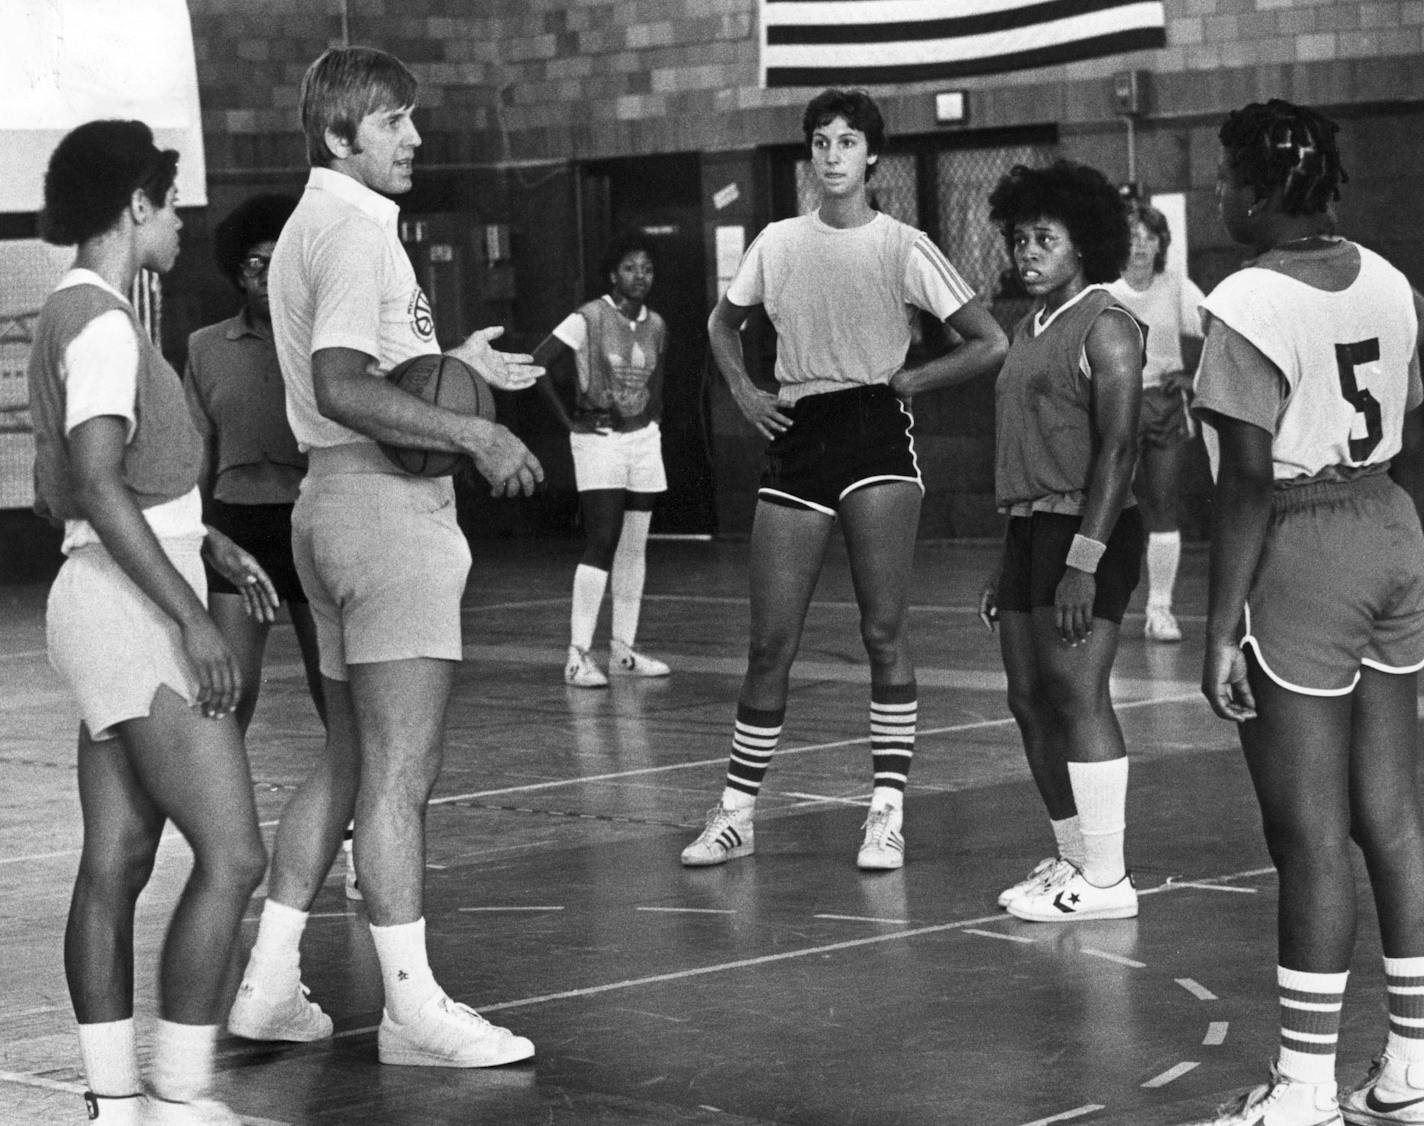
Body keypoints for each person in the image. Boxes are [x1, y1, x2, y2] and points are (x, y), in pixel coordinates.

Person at [225, 46, 542, 1067]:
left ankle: (270, 983)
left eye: (412, 120)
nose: (413, 138)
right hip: (385, 517)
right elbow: (343, 383)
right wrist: (477, 432)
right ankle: (412, 1009)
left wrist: (456, 369)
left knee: (349, 757)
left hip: (325, 508)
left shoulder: (312, 226)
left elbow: (380, 372)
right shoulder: (357, 231)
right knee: (401, 772)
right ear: (336, 135)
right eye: (392, 122)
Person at [682, 88, 1008, 871]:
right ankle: (735, 813)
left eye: (847, 141)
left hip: (875, 434)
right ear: (810, 155)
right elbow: (723, 323)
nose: (832, 154)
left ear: (871, 156)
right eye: (821, 141)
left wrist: (913, 383)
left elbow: (987, 340)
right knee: (770, 642)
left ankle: (886, 812)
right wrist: (744, 389)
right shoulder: (777, 242)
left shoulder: (904, 244)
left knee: (883, 630)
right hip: (799, 432)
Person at [29, 120, 275, 1125]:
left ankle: (114, 1104)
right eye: (169, 204)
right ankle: (178, 1095)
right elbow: (90, 481)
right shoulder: (99, 322)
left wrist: (198, 538)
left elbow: (74, 495)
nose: (179, 223)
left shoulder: (72, 313)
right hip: (132, 611)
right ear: (135, 205)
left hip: (101, 594)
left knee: (120, 857)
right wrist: (192, 617)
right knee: (234, 855)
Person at [1186, 100, 1424, 1126]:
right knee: (1393, 819)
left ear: (1257, 188)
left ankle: (1299, 1089)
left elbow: (1242, 480)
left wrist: (1215, 623)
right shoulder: (1389, 279)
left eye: (1224, 178)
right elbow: (1407, 419)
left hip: (1302, 542)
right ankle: (1411, 1070)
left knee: (1308, 836)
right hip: (1389, 524)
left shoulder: (1244, 297)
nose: (1216, 195)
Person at [979, 160, 1146, 923]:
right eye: (1020, 238)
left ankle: (1108, 880)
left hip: (1090, 526)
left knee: (1077, 692)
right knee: (1027, 698)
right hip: (1028, 526)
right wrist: (1004, 554)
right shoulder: (1026, 326)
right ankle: (1074, 857)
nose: (1028, 251)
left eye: (1045, 237)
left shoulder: (1107, 324)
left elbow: (1119, 450)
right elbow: (1024, 448)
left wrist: (1085, 559)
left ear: (1086, 244)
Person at [184, 194, 327, 732]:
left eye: (279, 259)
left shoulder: (325, 342)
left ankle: (359, 812)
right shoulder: (204, 347)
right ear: (237, 274)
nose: (267, 275)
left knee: (331, 684)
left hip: (311, 523)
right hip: (237, 529)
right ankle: (219, 811)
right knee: (230, 690)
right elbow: (196, 452)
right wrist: (195, 532)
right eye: (254, 264)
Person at [532, 231, 672, 688]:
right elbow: (538, 365)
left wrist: (652, 421)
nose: (640, 276)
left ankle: (623, 651)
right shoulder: (588, 317)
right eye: (630, 268)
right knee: (603, 539)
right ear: (614, 274)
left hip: (642, 439)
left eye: (647, 269)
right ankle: (576, 655)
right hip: (598, 438)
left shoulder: (657, 325)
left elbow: (659, 382)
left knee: (635, 544)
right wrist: (570, 423)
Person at [1106, 202, 1206, 643]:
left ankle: (1160, 609)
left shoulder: (1178, 288)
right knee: (1108, 507)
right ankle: (1102, 606)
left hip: (1165, 407)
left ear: (1162, 243)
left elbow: (1225, 334)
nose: (1141, 244)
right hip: (1118, 410)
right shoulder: (1105, 295)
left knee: (1163, 504)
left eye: (1150, 236)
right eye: (1133, 235)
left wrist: (1194, 377)